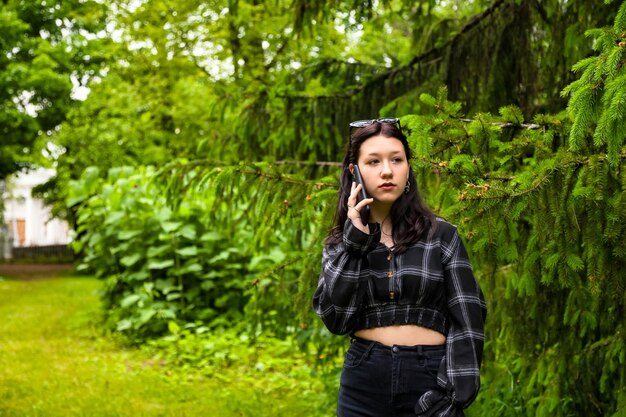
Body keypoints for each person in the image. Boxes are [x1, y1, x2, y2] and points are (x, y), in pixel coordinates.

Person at [312, 118, 486, 417]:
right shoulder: (340, 244)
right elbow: (336, 321)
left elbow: (468, 318)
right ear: (354, 172)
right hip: (363, 381)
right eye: (373, 161)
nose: (387, 170)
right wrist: (357, 244)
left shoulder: (441, 235)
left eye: (396, 159)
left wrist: (454, 392)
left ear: (408, 169)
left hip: (430, 377)